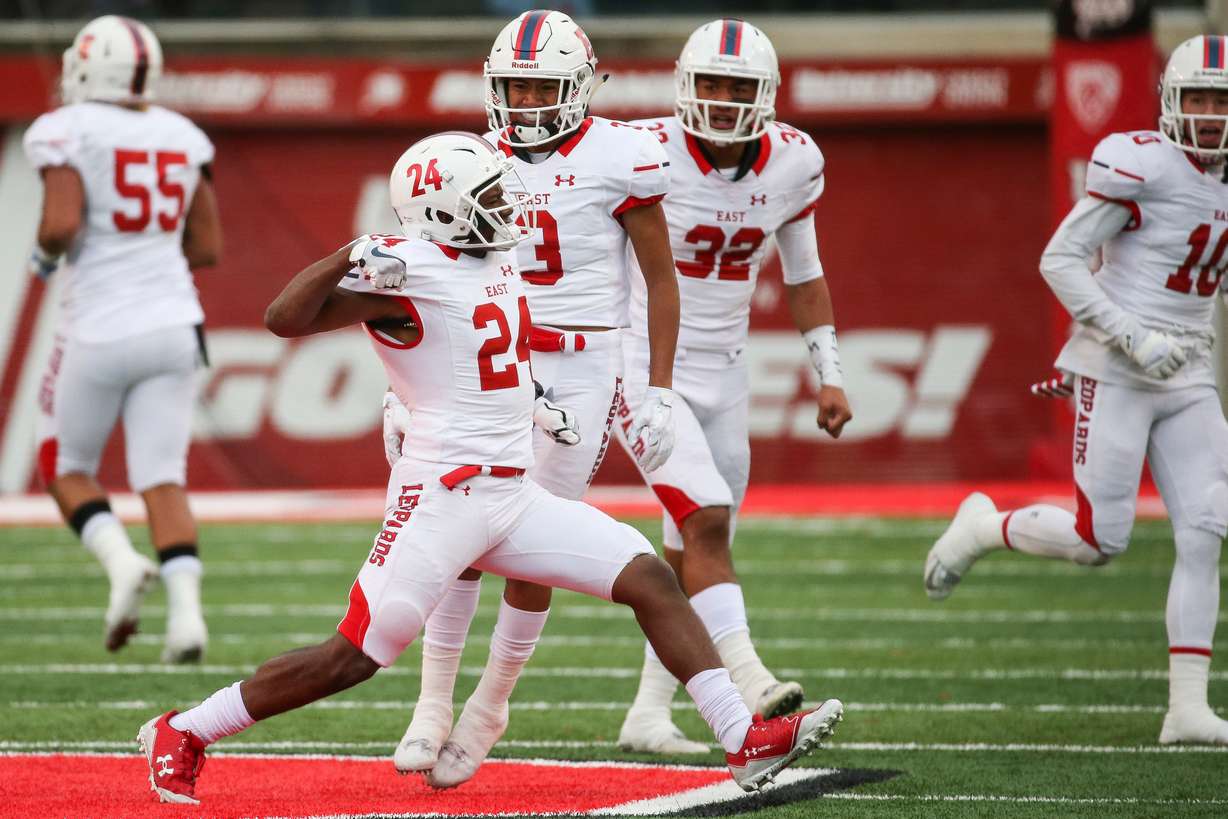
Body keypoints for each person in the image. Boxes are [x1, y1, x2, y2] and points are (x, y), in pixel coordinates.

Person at [135, 132, 844, 805]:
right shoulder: (402, 273)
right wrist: (350, 252)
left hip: (510, 490)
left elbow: (485, 351)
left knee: (650, 576)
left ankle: (742, 736)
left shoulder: (494, 259)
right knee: (353, 656)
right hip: (441, 495)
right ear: (448, 212)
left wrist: (536, 405)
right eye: (494, 199)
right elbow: (283, 318)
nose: (510, 210)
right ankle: (187, 727)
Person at [387, 9, 682, 785]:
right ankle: (431, 701)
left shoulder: (624, 154)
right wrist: (401, 391)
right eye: (513, 89)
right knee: (461, 534)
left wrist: (658, 388)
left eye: (541, 89)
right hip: (489, 359)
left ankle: (490, 705)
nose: (524, 105)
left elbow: (660, 277)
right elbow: (427, 277)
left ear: (580, 88)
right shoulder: (469, 155)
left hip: (584, 364)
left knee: (532, 550)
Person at [924, 35, 1228, 745]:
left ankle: (1187, 706)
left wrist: (1181, 342)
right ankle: (983, 526)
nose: (1210, 113)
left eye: (1221, 100)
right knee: (1101, 541)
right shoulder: (1142, 165)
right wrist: (1127, 335)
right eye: (1198, 99)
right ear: (1170, 104)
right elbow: (1058, 259)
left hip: (1188, 371)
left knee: (1206, 531)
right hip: (1120, 366)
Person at [605, 19, 854, 754]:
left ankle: (649, 715)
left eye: (736, 86)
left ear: (767, 94)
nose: (719, 99)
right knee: (706, 516)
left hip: (727, 367)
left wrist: (830, 374)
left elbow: (804, 273)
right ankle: (749, 683)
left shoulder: (794, 163)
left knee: (692, 542)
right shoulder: (640, 150)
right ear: (683, 84)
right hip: (644, 361)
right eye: (708, 82)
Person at [24, 15, 221, 663]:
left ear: (87, 66)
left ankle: (118, 562)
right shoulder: (184, 135)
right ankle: (187, 616)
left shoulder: (65, 129)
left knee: (63, 464)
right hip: (174, 322)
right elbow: (207, 247)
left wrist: (45, 258)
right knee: (162, 476)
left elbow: (60, 224)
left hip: (100, 323)